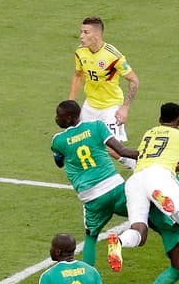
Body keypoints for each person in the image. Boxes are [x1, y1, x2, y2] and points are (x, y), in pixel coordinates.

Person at [105, 103, 179, 272]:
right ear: (177, 120)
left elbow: (149, 155)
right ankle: (171, 207)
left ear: (160, 119)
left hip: (136, 180)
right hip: (160, 178)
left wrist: (176, 163)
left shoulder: (149, 133)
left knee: (139, 230)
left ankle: (120, 242)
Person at [48, 100, 138, 265]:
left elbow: (59, 162)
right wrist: (149, 155)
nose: (56, 119)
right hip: (115, 187)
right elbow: (122, 151)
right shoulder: (96, 126)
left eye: (58, 116)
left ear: (68, 119)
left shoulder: (57, 140)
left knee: (91, 236)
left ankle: (89, 276)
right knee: (143, 216)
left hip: (91, 197)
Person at [67, 16, 140, 143]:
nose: (81, 36)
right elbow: (78, 75)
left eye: (86, 32)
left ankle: (134, 164)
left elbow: (134, 80)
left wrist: (125, 108)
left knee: (113, 149)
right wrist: (70, 102)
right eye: (81, 32)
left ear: (97, 35)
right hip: (89, 107)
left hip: (110, 108)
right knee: (82, 144)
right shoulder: (80, 52)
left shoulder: (113, 55)